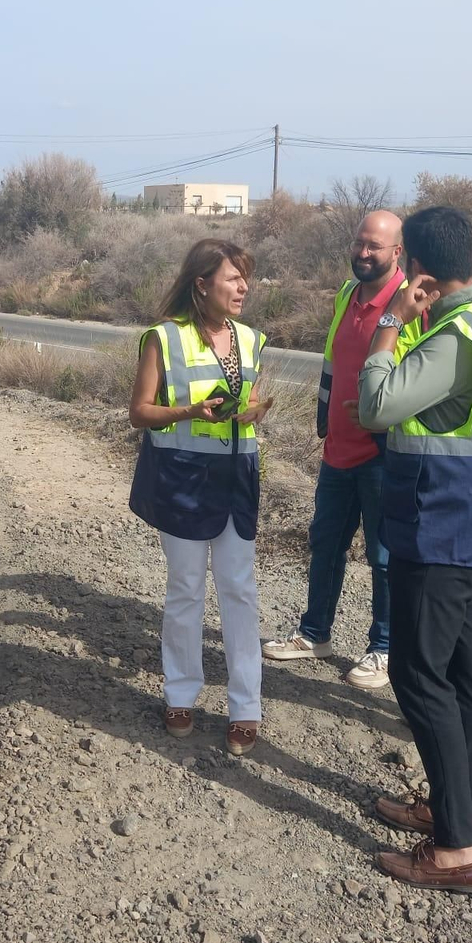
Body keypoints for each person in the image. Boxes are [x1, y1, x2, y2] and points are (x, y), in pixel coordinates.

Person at [355, 206, 472, 894]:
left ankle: (456, 848)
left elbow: (377, 404)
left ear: (419, 267)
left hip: (442, 522)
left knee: (420, 676)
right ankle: (456, 807)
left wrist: (393, 320)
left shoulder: (454, 334)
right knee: (464, 674)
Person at [128, 239, 273, 756]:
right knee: (186, 589)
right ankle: (180, 694)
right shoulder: (163, 339)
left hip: (238, 479)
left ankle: (245, 708)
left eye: (245, 278)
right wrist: (189, 411)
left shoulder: (252, 340)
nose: (243, 288)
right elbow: (140, 412)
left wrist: (254, 410)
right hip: (184, 479)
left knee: (240, 591)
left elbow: (251, 398)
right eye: (233, 278)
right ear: (202, 283)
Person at [263, 211, 403, 689]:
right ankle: (314, 633)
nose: (363, 254)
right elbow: (333, 361)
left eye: (375, 247)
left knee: (384, 559)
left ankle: (384, 649)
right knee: (326, 544)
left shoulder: (410, 304)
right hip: (338, 449)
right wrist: (324, 418)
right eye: (359, 243)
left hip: (383, 455)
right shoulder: (347, 293)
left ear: (396, 252)